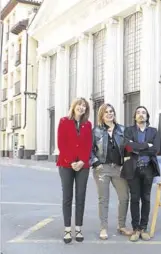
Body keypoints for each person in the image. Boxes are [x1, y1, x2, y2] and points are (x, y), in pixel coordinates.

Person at [90, 103, 132, 240]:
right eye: (106, 112)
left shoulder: (122, 130)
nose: (109, 113)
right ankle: (103, 228)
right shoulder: (96, 131)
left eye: (111, 111)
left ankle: (122, 225)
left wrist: (127, 163)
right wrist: (96, 163)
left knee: (124, 197)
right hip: (102, 168)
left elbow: (128, 149)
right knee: (104, 199)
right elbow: (89, 150)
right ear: (101, 115)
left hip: (119, 168)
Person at [121, 106, 160, 242]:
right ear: (135, 116)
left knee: (146, 198)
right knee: (135, 198)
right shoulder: (129, 130)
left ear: (147, 116)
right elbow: (127, 147)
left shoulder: (153, 131)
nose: (141, 115)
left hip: (148, 168)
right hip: (133, 168)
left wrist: (136, 146)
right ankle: (136, 229)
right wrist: (145, 146)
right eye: (138, 112)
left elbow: (155, 149)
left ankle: (143, 228)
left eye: (143, 113)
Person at [56, 97, 92, 244]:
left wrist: (82, 160)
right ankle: (67, 229)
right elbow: (61, 143)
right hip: (66, 164)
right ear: (74, 106)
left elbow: (89, 144)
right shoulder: (64, 121)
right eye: (79, 105)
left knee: (81, 196)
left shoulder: (87, 124)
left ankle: (78, 228)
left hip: (83, 165)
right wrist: (71, 162)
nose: (81, 108)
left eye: (84, 106)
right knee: (67, 196)